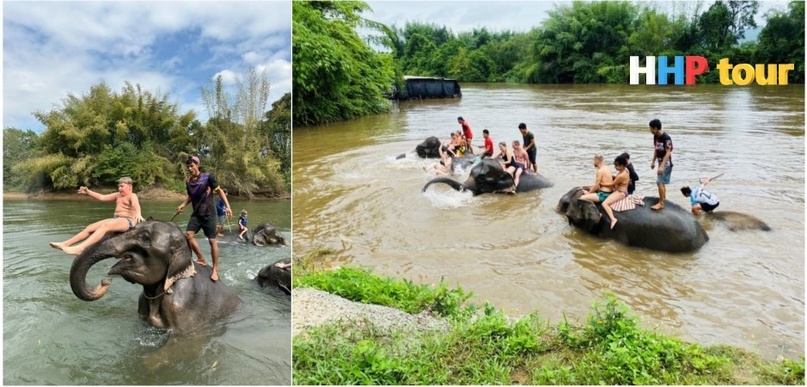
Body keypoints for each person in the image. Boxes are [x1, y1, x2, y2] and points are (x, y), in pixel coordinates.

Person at [50, 177, 144, 255]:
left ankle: (81, 248)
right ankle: (65, 244)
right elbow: (102, 197)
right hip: (117, 219)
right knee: (90, 227)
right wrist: (88, 192)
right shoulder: (117, 195)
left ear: (130, 187)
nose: (119, 188)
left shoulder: (132, 195)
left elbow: (136, 204)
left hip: (128, 221)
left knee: (105, 226)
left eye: (122, 186)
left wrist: (138, 213)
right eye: (119, 186)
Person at [176, 155, 232, 282]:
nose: (190, 168)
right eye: (188, 166)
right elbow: (192, 196)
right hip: (196, 214)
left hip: (209, 214)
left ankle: (215, 269)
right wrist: (183, 205)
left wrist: (228, 206)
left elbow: (220, 192)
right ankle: (201, 258)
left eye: (192, 166)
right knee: (188, 235)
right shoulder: (188, 181)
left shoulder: (208, 177)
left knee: (212, 241)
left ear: (198, 165)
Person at [580, 156, 630, 229]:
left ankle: (612, 219)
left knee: (601, 203)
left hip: (616, 193)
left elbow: (609, 184)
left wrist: (589, 192)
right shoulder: (622, 169)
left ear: (597, 161)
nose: (615, 167)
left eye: (616, 166)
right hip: (617, 190)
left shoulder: (620, 175)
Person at [649, 118, 673, 210]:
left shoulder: (666, 138)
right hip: (660, 161)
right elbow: (656, 149)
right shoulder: (656, 136)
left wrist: (662, 166)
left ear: (655, 128)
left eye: (651, 128)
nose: (650, 130)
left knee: (659, 182)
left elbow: (668, 152)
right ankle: (663, 199)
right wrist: (653, 161)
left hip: (666, 163)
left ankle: (661, 203)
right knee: (661, 182)